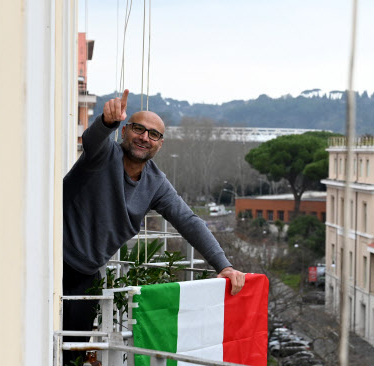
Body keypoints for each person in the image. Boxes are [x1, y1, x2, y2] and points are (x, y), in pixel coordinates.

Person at [63, 89, 245, 349]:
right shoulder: (103, 156)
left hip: (88, 275)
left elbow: (188, 221)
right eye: (138, 129)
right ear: (124, 131)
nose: (144, 138)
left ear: (160, 144)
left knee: (72, 351)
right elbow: (92, 140)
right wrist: (106, 122)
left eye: (154, 134)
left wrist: (223, 265)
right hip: (53, 259)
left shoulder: (156, 184)